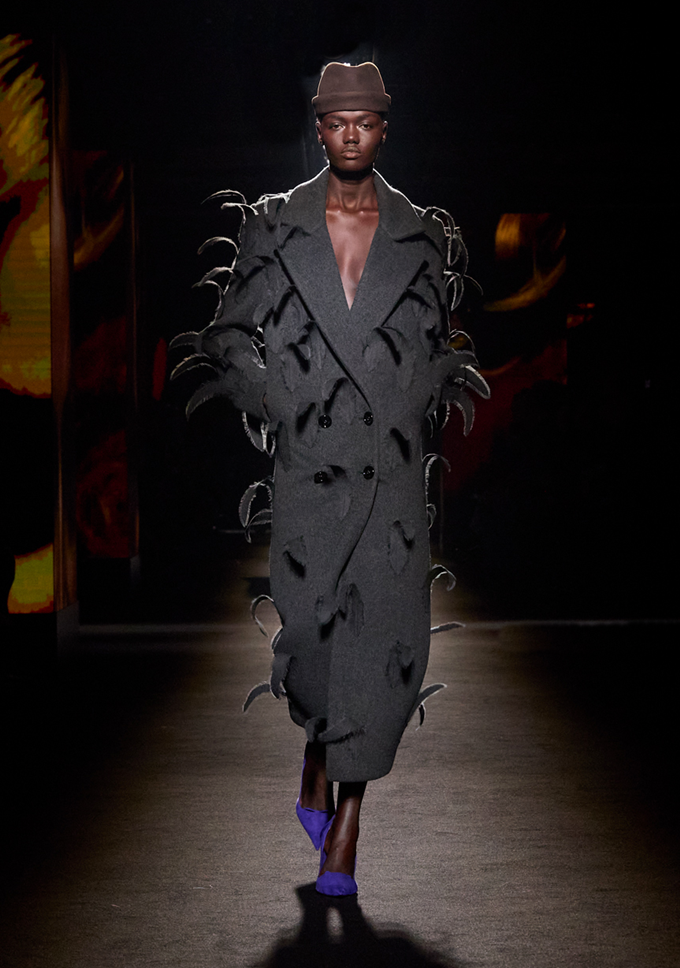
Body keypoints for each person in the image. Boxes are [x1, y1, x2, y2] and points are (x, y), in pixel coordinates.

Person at [171, 62, 489, 896]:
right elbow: (227, 335)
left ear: (384, 128)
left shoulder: (419, 235)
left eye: (366, 121)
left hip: (389, 481)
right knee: (312, 652)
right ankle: (318, 750)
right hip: (309, 472)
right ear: (319, 129)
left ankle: (348, 824)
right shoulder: (275, 226)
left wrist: (413, 396)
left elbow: (437, 345)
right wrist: (277, 400)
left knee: (384, 656)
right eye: (338, 120)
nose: (352, 133)